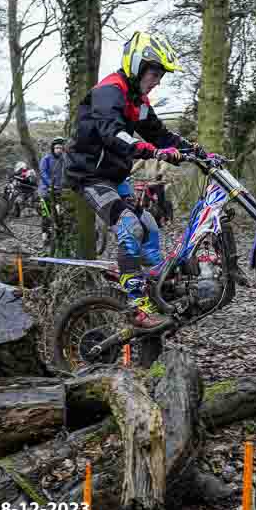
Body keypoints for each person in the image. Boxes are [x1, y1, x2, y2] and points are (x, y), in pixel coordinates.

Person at [64, 30, 193, 328]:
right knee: (129, 226)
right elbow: (113, 133)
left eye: (161, 75)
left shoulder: (138, 99)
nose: (158, 81)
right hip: (90, 176)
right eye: (155, 73)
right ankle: (136, 306)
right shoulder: (108, 92)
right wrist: (151, 151)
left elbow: (160, 133)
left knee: (148, 225)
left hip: (113, 175)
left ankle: (156, 284)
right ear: (137, 65)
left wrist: (196, 151)